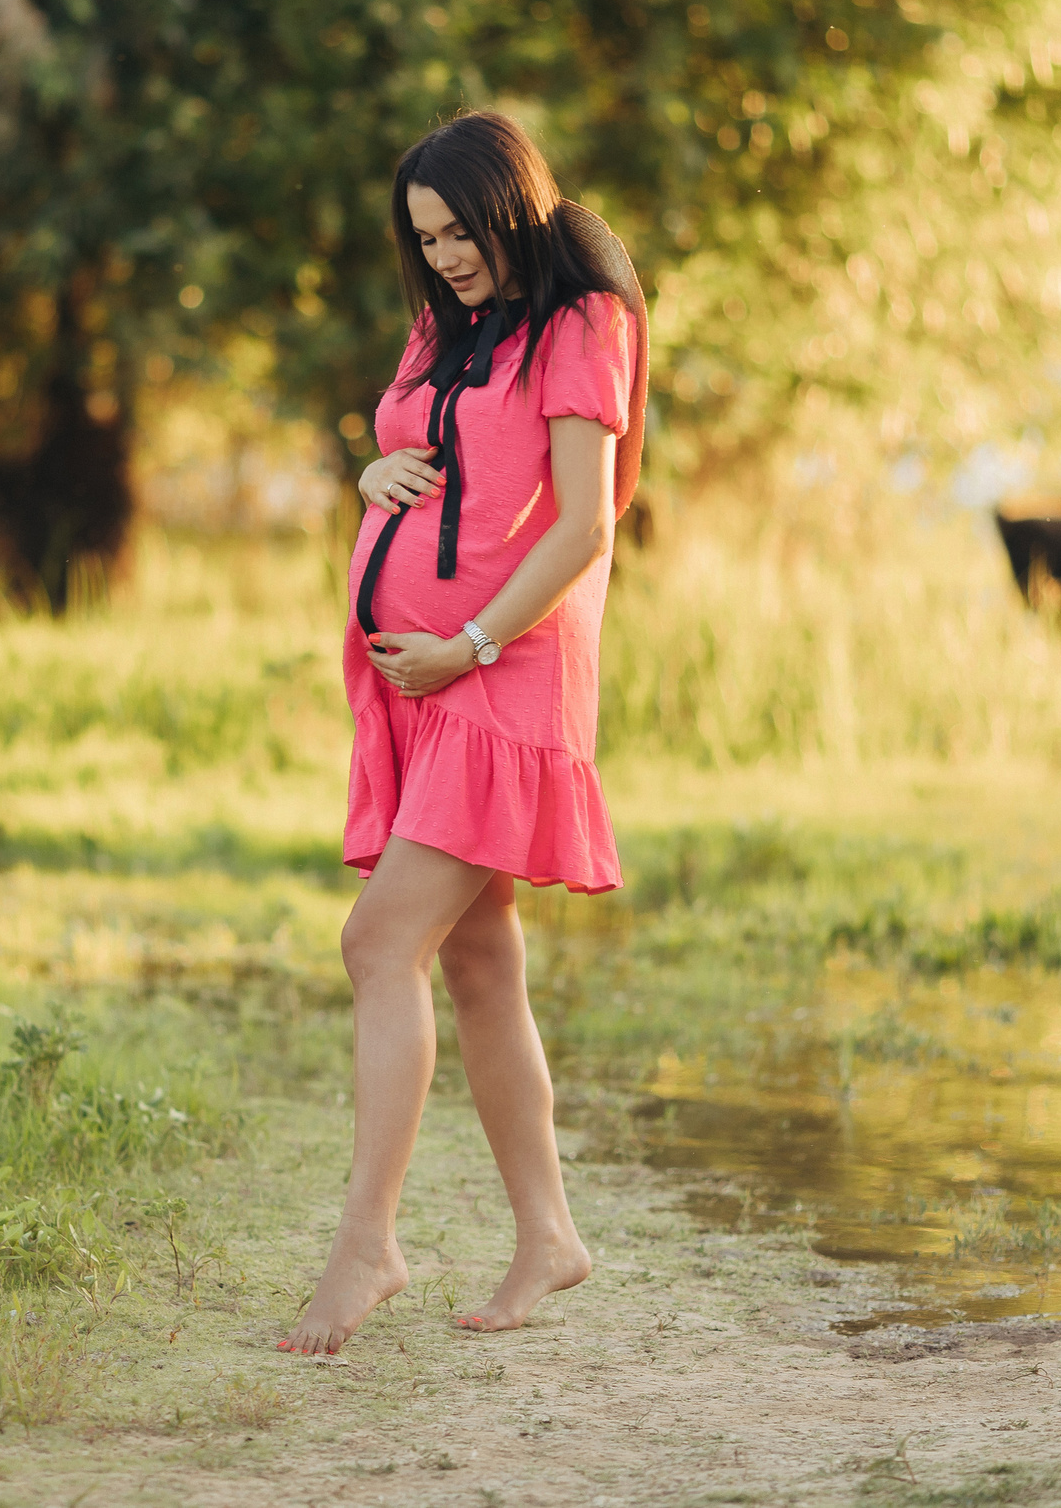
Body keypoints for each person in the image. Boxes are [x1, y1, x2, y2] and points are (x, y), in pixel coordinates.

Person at [281, 111, 649, 1356]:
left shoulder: (578, 323)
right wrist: (372, 476)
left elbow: (582, 526)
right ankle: (547, 1236)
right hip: (419, 685)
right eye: (423, 237)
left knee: (379, 941)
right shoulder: (448, 324)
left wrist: (473, 644)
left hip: (504, 674)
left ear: (511, 209)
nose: (441, 256)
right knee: (479, 959)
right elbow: (419, 442)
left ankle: (366, 1245)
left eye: (459, 231)